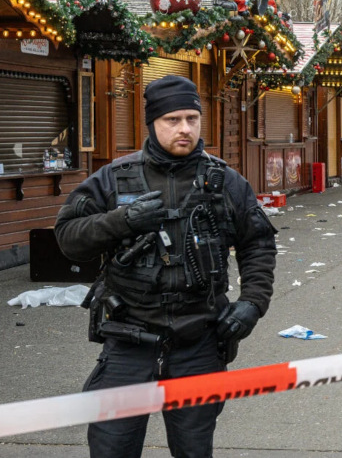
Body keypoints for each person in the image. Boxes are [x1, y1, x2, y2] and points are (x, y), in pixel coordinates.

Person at [55, 75, 277, 458]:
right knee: (112, 448)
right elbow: (68, 238)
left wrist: (252, 303)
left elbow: (258, 243)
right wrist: (122, 221)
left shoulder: (226, 181)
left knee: (193, 450)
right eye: (172, 120)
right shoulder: (112, 178)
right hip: (129, 339)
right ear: (152, 123)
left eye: (192, 118)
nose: (184, 129)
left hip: (199, 340)